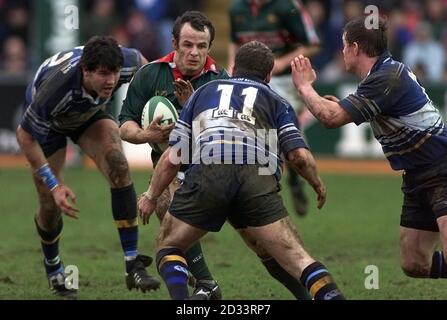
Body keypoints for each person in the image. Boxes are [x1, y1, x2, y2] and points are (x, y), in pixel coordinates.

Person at [137, 40, 345, 300]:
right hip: (256, 178)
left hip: (209, 171)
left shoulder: (202, 93)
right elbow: (299, 157)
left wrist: (151, 195)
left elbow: (173, 156)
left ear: (233, 68)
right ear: (268, 75)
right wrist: (316, 183)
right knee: (298, 259)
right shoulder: (277, 101)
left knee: (169, 245)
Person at [291, 16, 447, 280]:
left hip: (441, 169)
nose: (341, 52)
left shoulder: (387, 77)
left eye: (343, 46)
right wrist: (335, 103)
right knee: (414, 263)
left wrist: (304, 87)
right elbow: (344, 110)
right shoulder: (381, 76)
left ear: (354, 48)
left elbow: (331, 118)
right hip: (418, 176)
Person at [16, 36, 159, 299]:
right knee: (49, 205)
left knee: (118, 165)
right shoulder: (55, 89)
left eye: (114, 73)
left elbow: (147, 70)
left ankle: (132, 264)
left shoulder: (127, 61)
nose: (111, 81)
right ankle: (54, 267)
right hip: (49, 127)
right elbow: (24, 136)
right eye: (103, 74)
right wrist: (55, 185)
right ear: (85, 70)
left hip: (87, 116)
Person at [119, 11, 228, 300]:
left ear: (209, 47)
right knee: (165, 211)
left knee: (169, 221)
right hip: (168, 168)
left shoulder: (220, 81)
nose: (195, 53)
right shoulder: (150, 74)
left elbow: (222, 138)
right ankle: (206, 284)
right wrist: (146, 136)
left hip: (210, 167)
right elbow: (125, 125)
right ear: (174, 43)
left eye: (202, 46)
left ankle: (202, 282)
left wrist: (191, 107)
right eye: (188, 44)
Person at [228, 0, 321, 217]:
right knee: (265, 129)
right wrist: (233, 62)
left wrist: (280, 62)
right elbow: (234, 41)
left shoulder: (288, 6)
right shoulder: (236, 9)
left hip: (285, 79)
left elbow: (312, 44)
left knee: (274, 126)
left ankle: (276, 183)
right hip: (250, 77)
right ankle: (281, 181)